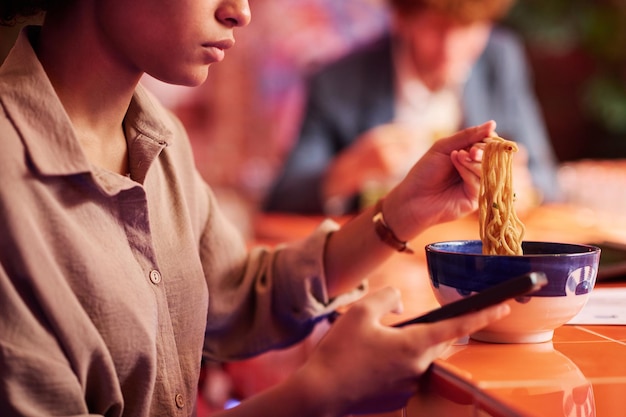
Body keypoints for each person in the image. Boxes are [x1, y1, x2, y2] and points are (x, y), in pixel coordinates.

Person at [0, 1, 510, 417]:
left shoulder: (158, 137)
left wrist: (404, 211)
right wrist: (321, 392)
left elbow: (238, 292)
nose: (241, 12)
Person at [263, 0, 562, 215]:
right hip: (377, 256)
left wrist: (522, 189)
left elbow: (544, 177)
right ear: (402, 20)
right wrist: (349, 170)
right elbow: (283, 198)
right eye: (436, 29)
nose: (452, 50)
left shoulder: (501, 58)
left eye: (468, 28)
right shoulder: (338, 81)